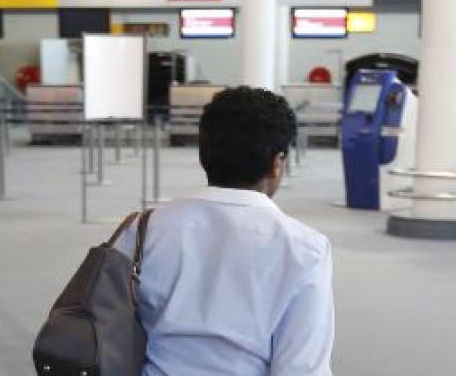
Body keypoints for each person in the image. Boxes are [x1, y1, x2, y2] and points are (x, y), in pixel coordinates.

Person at [117, 87, 335, 376]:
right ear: (277, 164)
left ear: (203, 155)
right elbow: (302, 368)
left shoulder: (143, 229)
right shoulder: (306, 250)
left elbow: (111, 325)